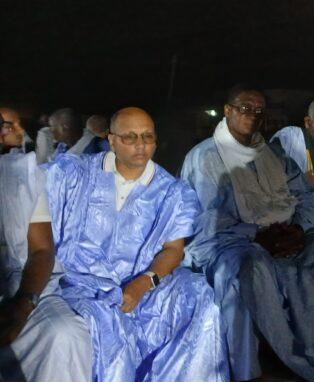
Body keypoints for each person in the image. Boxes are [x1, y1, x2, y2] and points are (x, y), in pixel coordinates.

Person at [39, 107, 228, 381]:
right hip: (82, 283)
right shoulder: (75, 174)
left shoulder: (172, 191)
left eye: (147, 136)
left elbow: (173, 250)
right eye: (130, 137)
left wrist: (144, 282)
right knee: (106, 329)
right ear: (112, 140)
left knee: (199, 296)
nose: (140, 145)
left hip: (145, 282)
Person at [181, 86, 314, 381]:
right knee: (250, 267)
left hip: (284, 235)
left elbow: (306, 197)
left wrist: (298, 230)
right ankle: (258, 369)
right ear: (227, 111)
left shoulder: (273, 154)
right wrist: (258, 236)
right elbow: (209, 220)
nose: (253, 115)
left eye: (259, 110)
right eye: (245, 108)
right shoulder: (206, 158)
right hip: (229, 241)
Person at [0, 151, 92, 382]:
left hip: (21, 287)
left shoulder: (20, 174)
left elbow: (41, 251)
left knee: (65, 334)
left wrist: (23, 305)